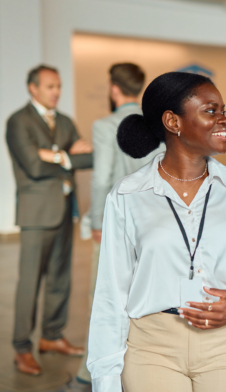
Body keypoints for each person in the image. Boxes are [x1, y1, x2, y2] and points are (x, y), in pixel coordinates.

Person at [87, 72, 226, 392]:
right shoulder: (127, 195)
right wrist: (105, 381)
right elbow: (111, 294)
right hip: (152, 348)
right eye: (211, 111)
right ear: (173, 122)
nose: (224, 120)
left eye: (224, 110)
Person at [64, 63, 164, 392]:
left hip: (116, 226)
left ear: (114, 88)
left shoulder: (105, 124)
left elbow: (102, 178)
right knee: (143, 297)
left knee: (103, 300)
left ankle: (85, 377)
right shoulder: (157, 122)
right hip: (153, 226)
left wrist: (96, 223)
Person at [5, 64, 93, 376]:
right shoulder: (18, 122)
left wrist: (54, 154)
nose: (56, 91)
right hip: (36, 214)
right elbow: (32, 165)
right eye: (50, 86)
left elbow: (89, 157)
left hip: (63, 211)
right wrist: (66, 155)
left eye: (58, 86)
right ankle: (21, 347)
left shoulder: (66, 121)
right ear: (33, 88)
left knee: (60, 280)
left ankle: (51, 336)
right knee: (30, 283)